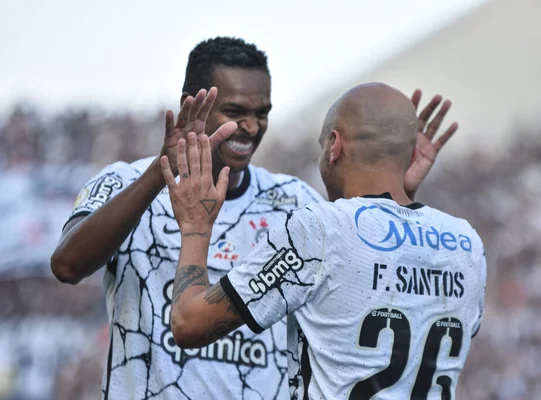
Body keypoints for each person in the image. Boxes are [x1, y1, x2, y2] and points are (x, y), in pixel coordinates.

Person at [50, 36, 458, 399]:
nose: (251, 126)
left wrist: (398, 195)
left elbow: (368, 274)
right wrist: (160, 174)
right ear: (193, 104)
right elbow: (67, 265)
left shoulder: (294, 200)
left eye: (262, 112)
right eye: (234, 111)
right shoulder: (125, 182)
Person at [163, 82, 486, 399]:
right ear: (410, 154)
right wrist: (404, 194)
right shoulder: (467, 243)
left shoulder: (319, 228)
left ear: (335, 145)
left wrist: (195, 226)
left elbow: (189, 324)